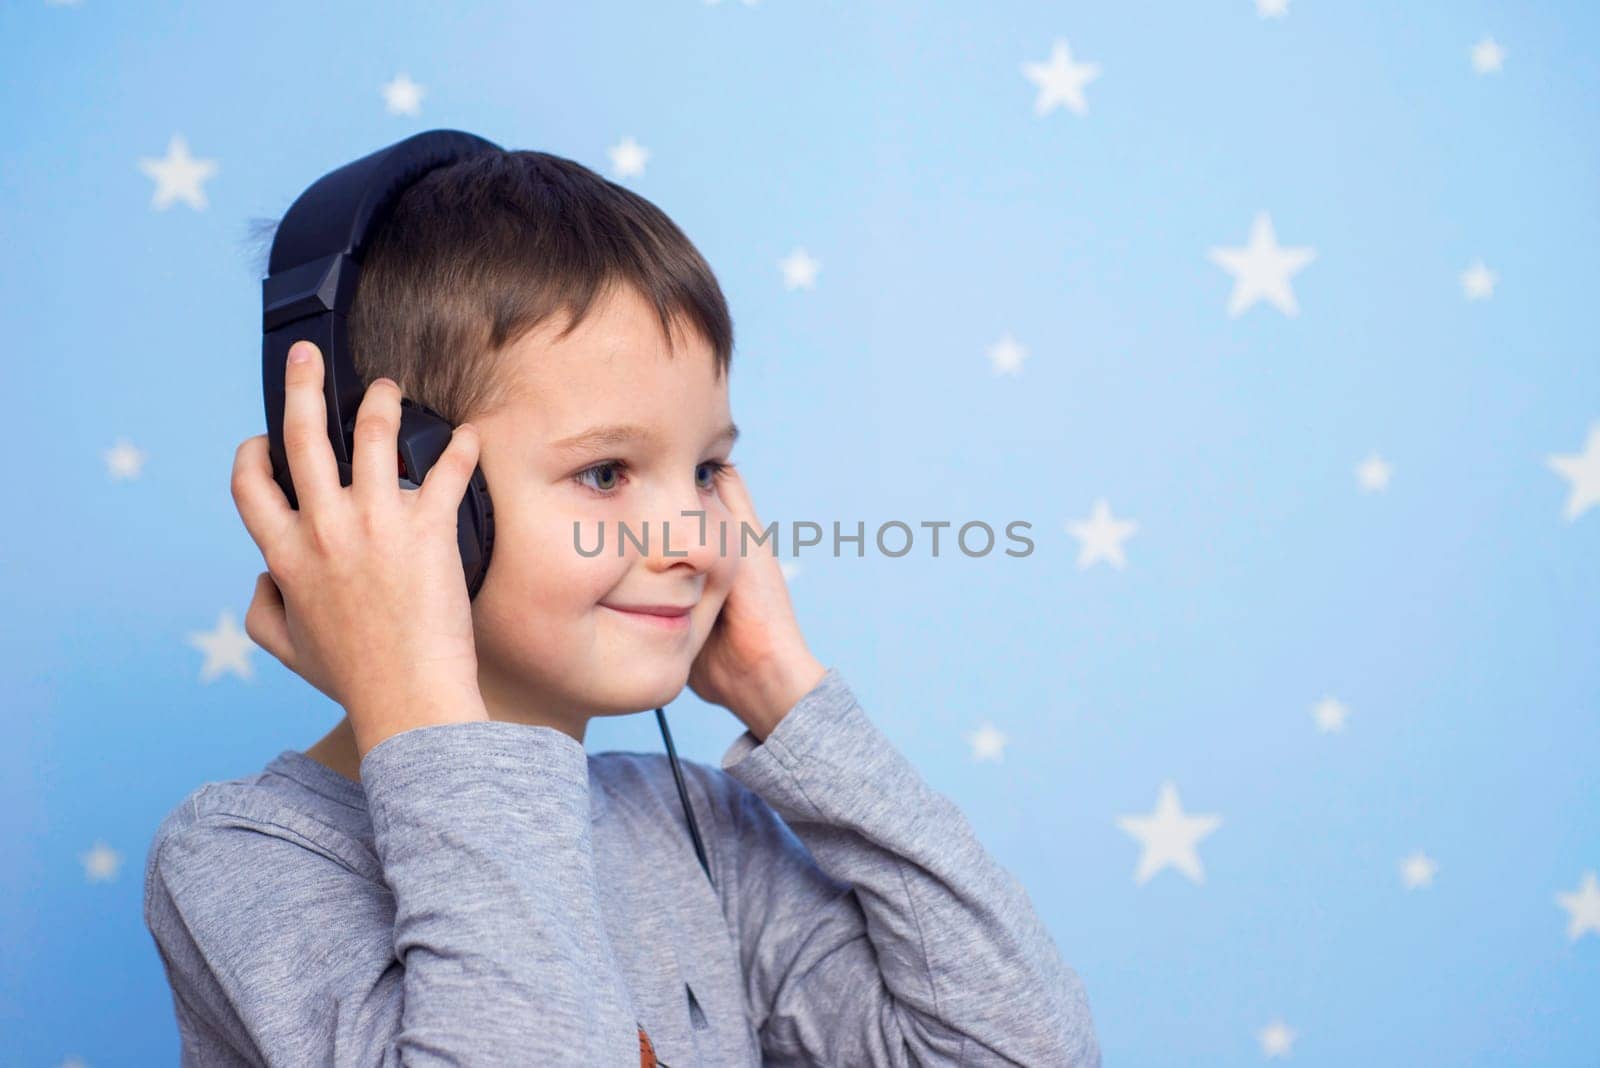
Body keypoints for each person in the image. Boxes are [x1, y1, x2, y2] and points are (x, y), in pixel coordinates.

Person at [141, 147, 1101, 1066]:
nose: (696, 533)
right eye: (606, 472)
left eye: (708, 468)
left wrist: (785, 691)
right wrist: (420, 706)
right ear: (390, 488)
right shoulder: (245, 860)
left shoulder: (694, 829)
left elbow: (1023, 1051)